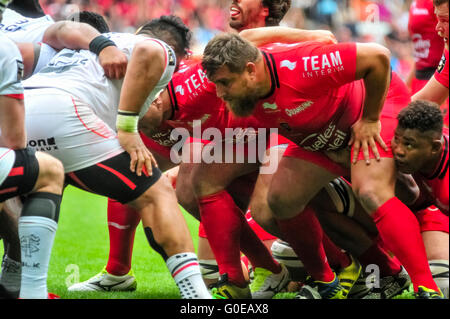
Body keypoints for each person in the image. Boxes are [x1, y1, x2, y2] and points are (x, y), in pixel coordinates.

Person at [201, 32, 444, 298]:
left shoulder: (303, 66)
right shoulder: (237, 90)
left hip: (368, 113)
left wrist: (371, 119)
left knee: (371, 190)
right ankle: (335, 279)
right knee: (281, 201)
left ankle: (427, 288)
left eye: (224, 83)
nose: (219, 92)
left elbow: (377, 56)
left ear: (250, 70)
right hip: (319, 138)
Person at [19, 15, 211, 299]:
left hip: (23, 111)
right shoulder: (155, 48)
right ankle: (197, 297)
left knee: (36, 193)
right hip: (66, 113)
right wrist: (127, 127)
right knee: (156, 194)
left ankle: (24, 288)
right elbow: (150, 50)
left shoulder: (85, 47)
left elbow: (55, 31)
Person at [0, 0, 65, 299]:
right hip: (18, 127)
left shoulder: (45, 30)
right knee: (44, 171)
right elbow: (15, 142)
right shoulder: (9, 46)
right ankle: (26, 285)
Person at [392, 100, 449, 298]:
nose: (398, 150)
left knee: (442, 279)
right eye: (397, 140)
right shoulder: (418, 156)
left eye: (408, 144)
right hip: (428, 211)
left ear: (435, 148)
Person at [412, 0, 449, 126]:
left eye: (445, 20)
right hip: (424, 79)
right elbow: (427, 98)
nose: (437, 28)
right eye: (437, 19)